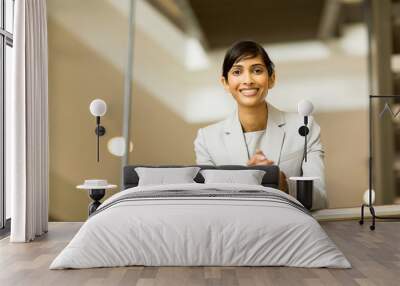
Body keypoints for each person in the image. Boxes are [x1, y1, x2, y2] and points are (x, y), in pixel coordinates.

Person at [194, 40, 327, 210]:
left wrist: (283, 183)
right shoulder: (207, 139)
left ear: (272, 79)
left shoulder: (304, 128)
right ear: (225, 83)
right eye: (237, 72)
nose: (248, 80)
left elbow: (320, 200)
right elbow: (210, 204)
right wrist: (248, 180)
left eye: (257, 70)